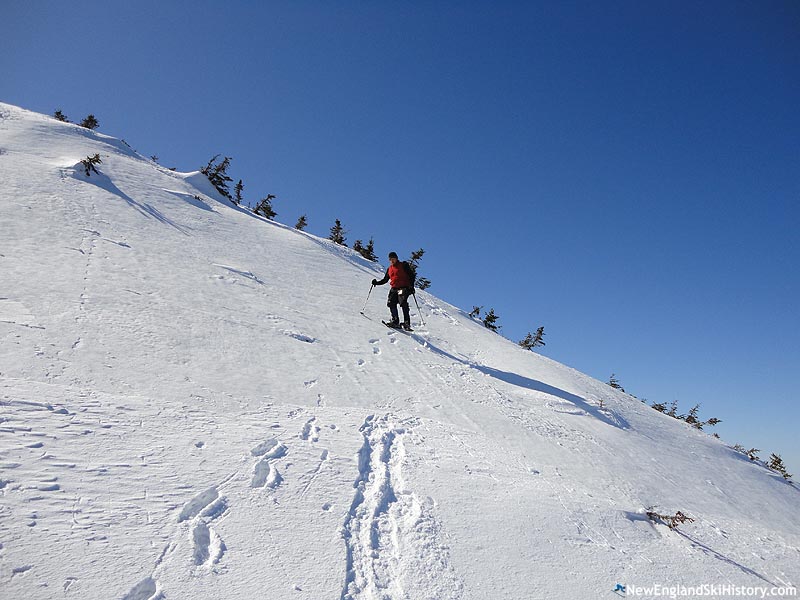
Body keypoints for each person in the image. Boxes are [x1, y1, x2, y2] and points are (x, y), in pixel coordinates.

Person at [372, 252, 415, 330]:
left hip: (403, 288)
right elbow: (385, 280)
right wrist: (376, 283)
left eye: (393, 259)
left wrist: (411, 286)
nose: (392, 261)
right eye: (390, 259)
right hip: (394, 289)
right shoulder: (389, 269)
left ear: (396, 258)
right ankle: (395, 321)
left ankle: (406, 323)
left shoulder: (403, 265)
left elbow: (411, 275)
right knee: (391, 303)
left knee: (403, 303)